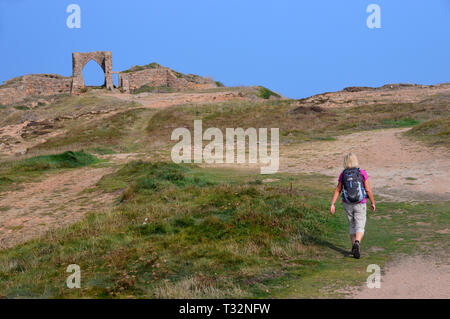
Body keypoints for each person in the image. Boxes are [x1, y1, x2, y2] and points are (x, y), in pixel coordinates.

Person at [330, 153, 375, 259]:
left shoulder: (343, 174)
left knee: (352, 224)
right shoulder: (361, 173)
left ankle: (354, 247)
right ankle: (357, 243)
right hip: (360, 202)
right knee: (360, 225)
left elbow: (338, 189)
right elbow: (368, 189)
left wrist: (332, 203)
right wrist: (372, 202)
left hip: (347, 203)